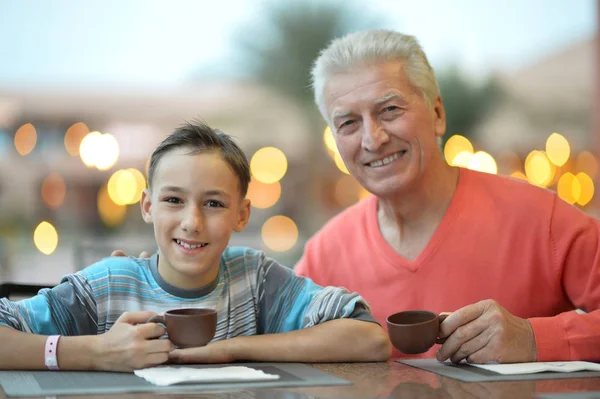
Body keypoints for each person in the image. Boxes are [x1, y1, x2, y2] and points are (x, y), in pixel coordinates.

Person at [294, 29, 600, 363]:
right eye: (348, 123)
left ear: (438, 114)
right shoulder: (324, 255)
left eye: (390, 110)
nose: (373, 139)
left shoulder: (542, 219)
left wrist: (536, 339)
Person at [0, 121, 391, 372]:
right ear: (148, 206)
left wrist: (233, 349)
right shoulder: (108, 286)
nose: (192, 221)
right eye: (173, 200)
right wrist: (95, 352)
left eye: (214, 203)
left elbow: (369, 337)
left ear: (242, 214)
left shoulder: (255, 281)